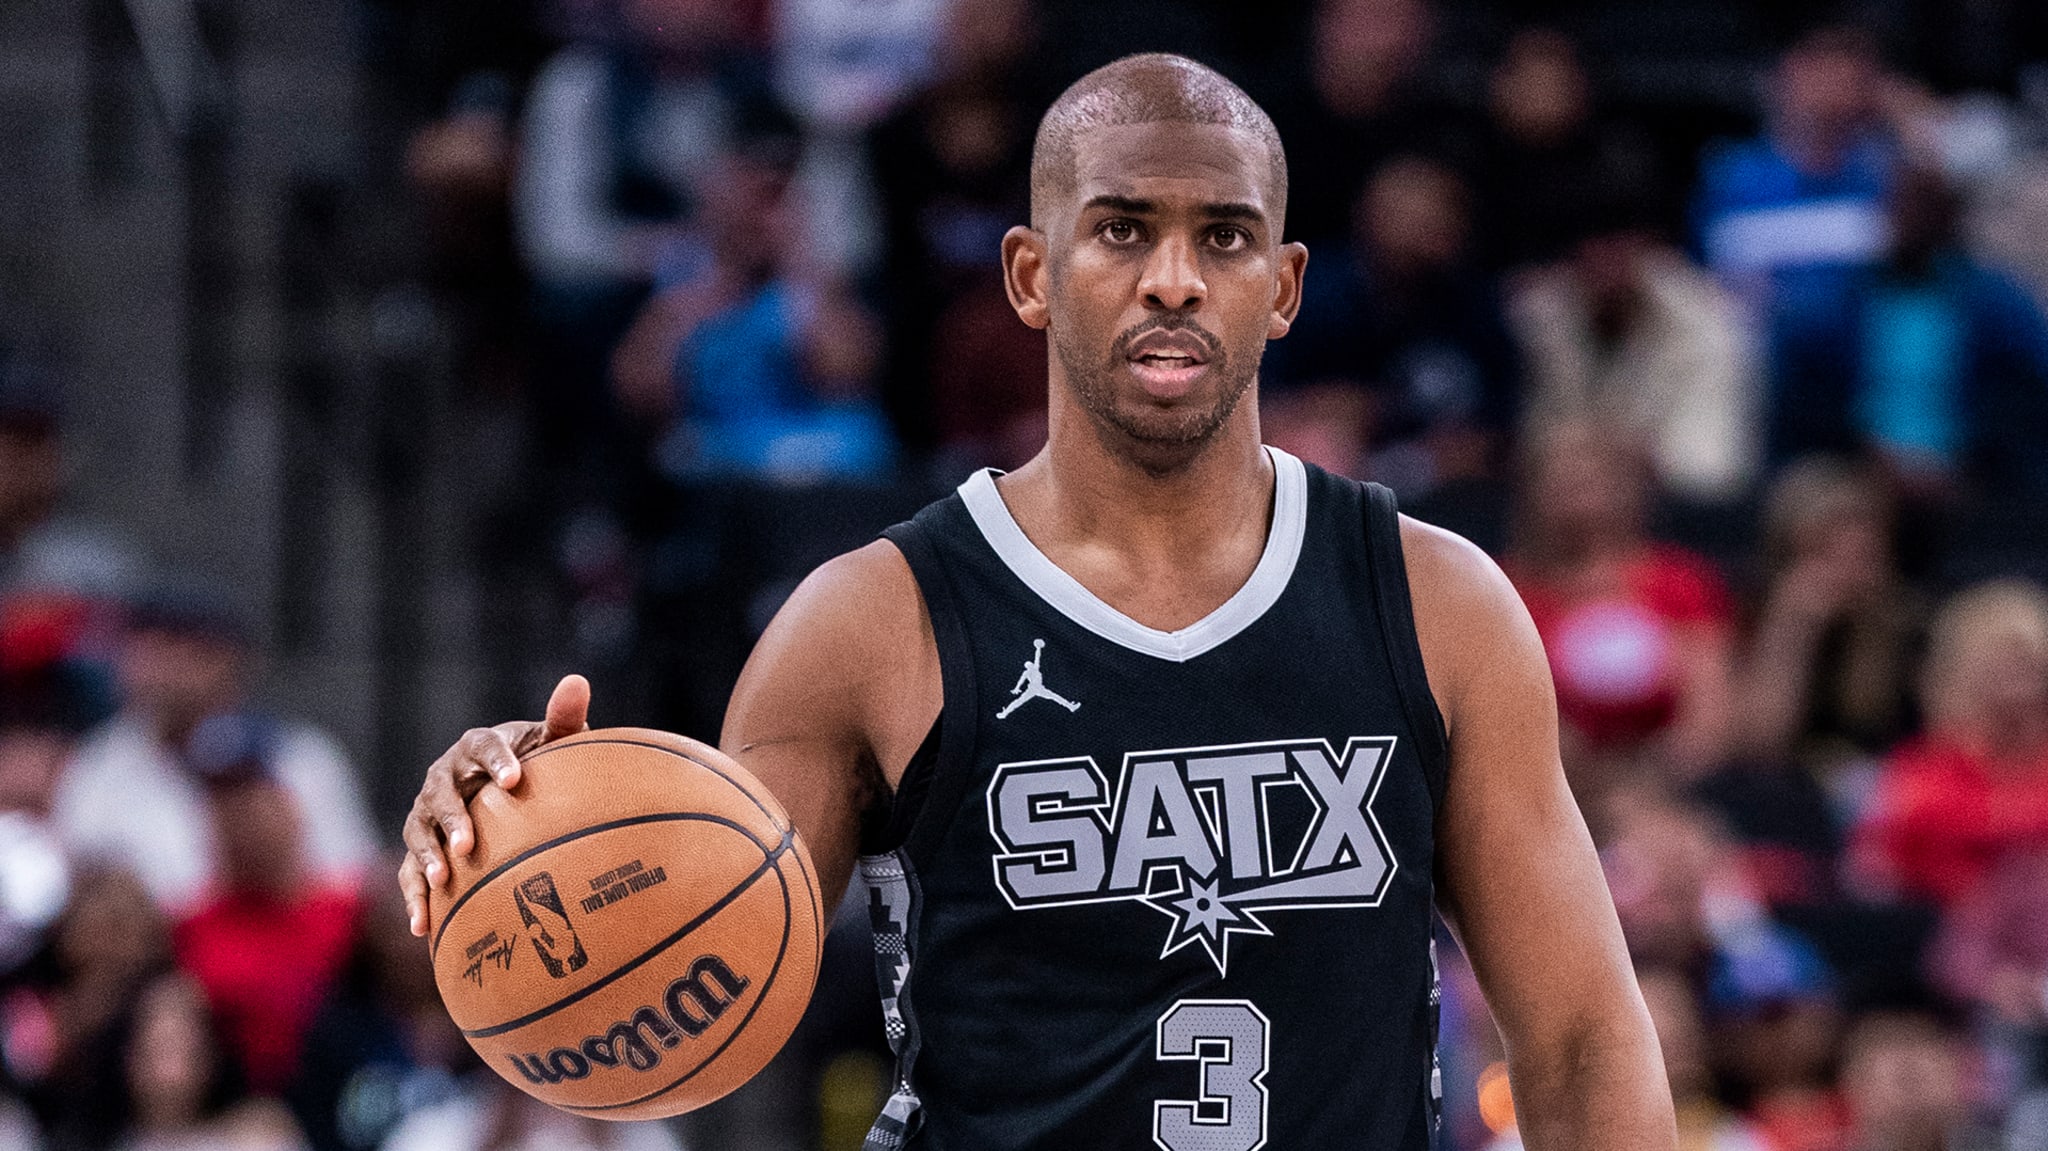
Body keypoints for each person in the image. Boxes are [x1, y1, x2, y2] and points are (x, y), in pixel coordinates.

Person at [401, 54, 1674, 1149]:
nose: (1172, 277)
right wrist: (516, 836)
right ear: (1027, 271)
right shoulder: (868, 622)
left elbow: (1576, 1038)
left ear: (1281, 288)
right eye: (1121, 228)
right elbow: (702, 979)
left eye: (1221, 237)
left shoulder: (1433, 598)